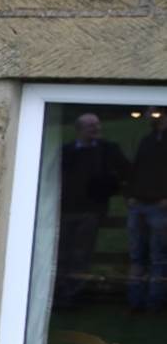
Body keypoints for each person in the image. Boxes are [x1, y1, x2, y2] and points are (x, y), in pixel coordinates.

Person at [55, 113, 128, 307]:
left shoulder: (107, 150)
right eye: (90, 126)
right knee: (61, 254)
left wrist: (108, 188)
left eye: (97, 125)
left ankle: (73, 296)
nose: (95, 129)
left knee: (81, 255)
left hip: (90, 211)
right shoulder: (67, 151)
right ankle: (57, 294)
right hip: (65, 210)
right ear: (79, 129)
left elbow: (124, 172)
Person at [126, 110, 167, 313]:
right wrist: (131, 195)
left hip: (159, 205)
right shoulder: (147, 140)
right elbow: (137, 168)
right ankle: (135, 300)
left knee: (157, 256)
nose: (156, 117)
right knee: (137, 254)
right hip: (139, 203)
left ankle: (154, 301)